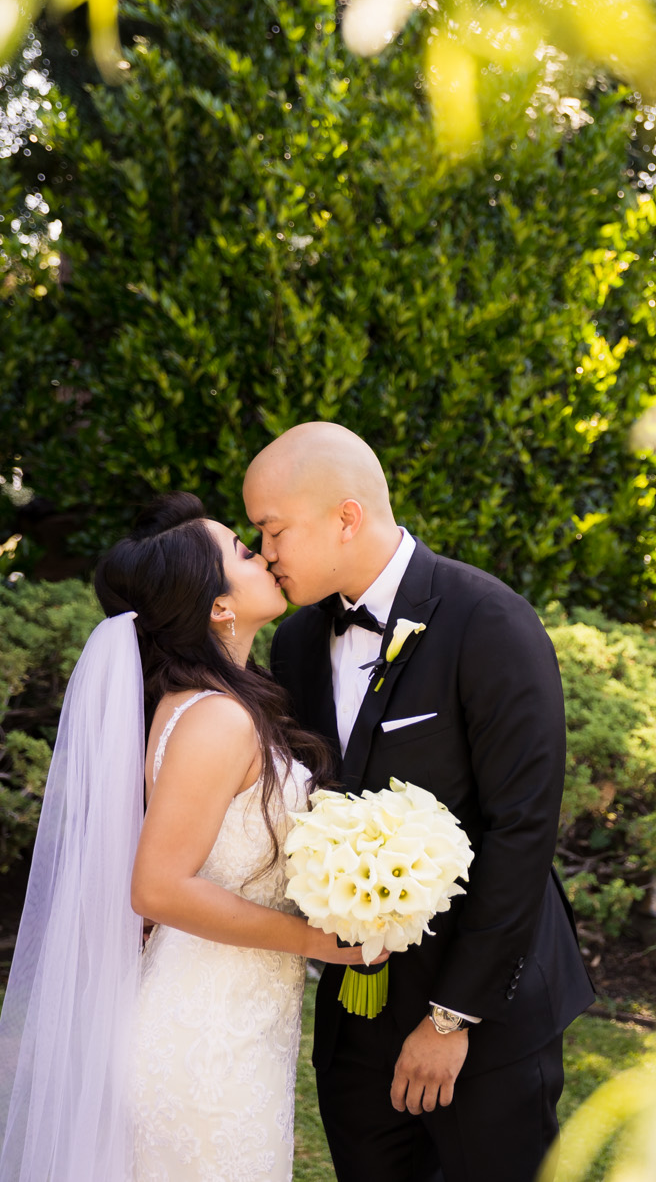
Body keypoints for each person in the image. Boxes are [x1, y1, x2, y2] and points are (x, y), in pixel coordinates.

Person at [0, 493, 372, 1182]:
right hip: (202, 1042)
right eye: (244, 553)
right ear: (219, 606)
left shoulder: (201, 702)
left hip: (229, 1019)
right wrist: (319, 942)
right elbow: (157, 886)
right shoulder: (218, 719)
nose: (264, 552)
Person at [246, 421, 595, 1182]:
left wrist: (451, 1017)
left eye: (272, 529)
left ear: (346, 516)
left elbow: (523, 827)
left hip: (485, 1019)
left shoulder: (491, 622)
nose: (264, 552)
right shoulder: (297, 645)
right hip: (356, 1018)